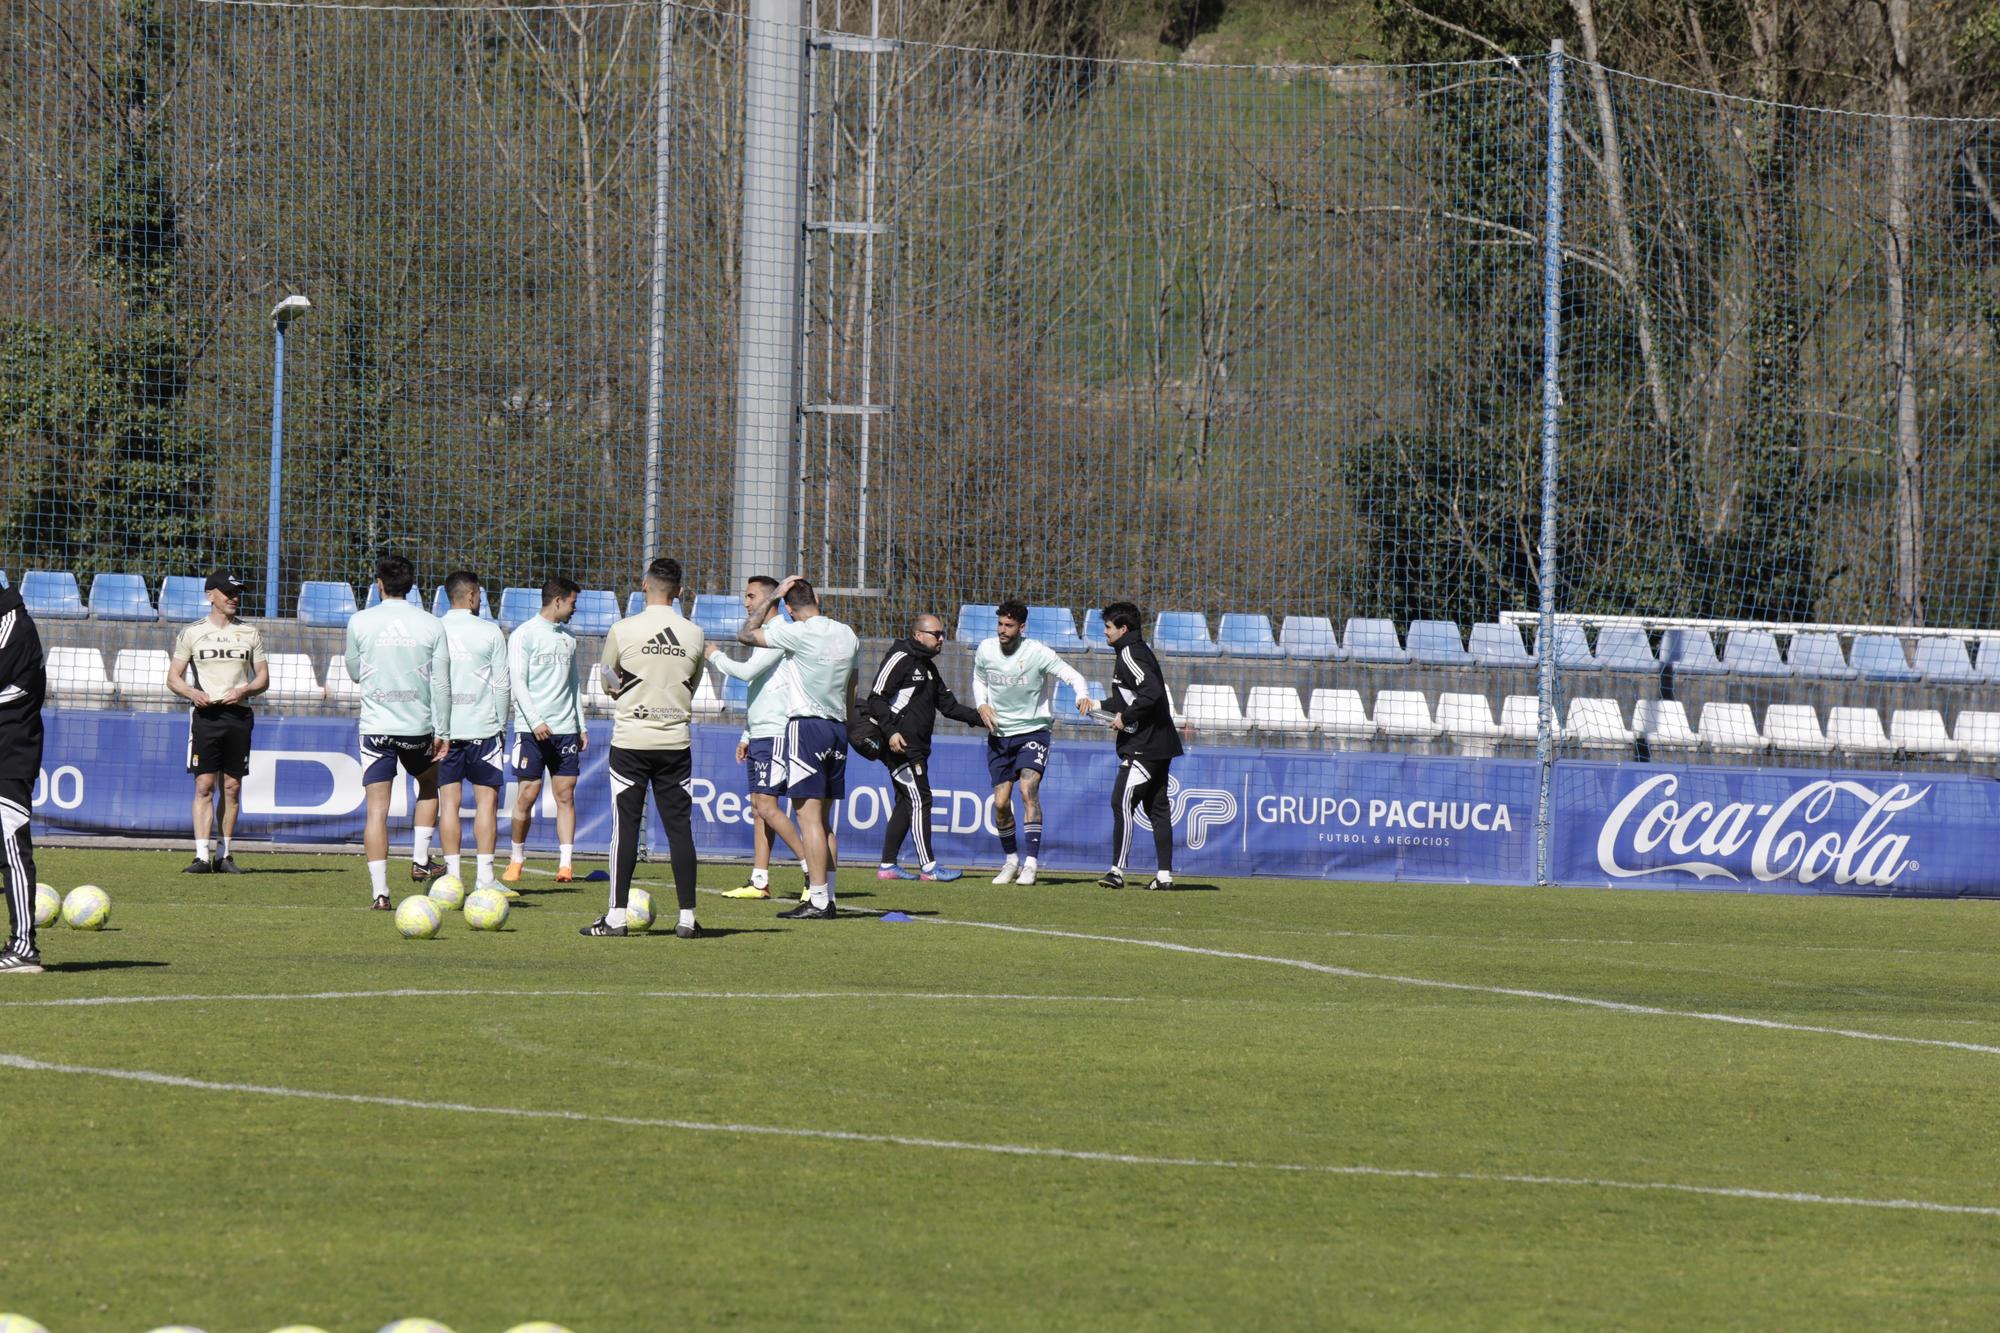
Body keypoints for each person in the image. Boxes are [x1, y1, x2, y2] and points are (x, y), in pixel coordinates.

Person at [585, 558, 705, 938]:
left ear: (643, 586)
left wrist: (619, 688)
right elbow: (693, 684)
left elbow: (606, 677)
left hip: (632, 742)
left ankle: (617, 917)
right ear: (680, 592)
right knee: (679, 830)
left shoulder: (623, 629)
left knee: (625, 828)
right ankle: (687, 919)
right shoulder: (694, 633)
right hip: (675, 742)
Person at [739, 575, 858, 921]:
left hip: (806, 728)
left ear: (789, 610)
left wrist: (772, 595)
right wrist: (849, 725)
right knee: (826, 821)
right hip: (838, 728)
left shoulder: (796, 631)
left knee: (808, 818)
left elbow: (746, 634)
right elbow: (852, 684)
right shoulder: (847, 633)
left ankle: (818, 900)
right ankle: (828, 895)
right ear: (817, 599)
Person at [343, 554, 452, 909]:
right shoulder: (431, 624)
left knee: (376, 810)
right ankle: (420, 860)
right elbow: (442, 683)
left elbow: (356, 673)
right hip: (417, 727)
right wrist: (445, 729)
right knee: (430, 784)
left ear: (379, 584)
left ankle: (380, 893)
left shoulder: (360, 621)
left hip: (376, 728)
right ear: (412, 585)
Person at [973, 599, 1094, 885]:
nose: (1003, 630)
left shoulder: (1037, 652)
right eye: (1000, 624)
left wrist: (1081, 694)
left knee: (1028, 789)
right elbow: (978, 679)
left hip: (1033, 731)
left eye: (1009, 625)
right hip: (1000, 734)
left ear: (1022, 627)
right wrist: (981, 705)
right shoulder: (986, 649)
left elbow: (1072, 675)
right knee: (1001, 804)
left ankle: (1031, 863)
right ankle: (1011, 860)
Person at [705, 575, 811, 900]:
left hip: (777, 733)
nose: (747, 603)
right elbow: (761, 687)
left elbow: (747, 674)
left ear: (769, 600)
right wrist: (747, 733)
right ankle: (760, 880)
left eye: (751, 596)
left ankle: (812, 870)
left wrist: (713, 655)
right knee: (758, 806)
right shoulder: (766, 635)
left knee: (767, 805)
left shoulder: (779, 633)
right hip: (761, 732)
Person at [864, 613, 985, 881]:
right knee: (921, 800)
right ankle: (928, 867)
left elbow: (949, 706)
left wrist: (983, 718)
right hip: (898, 746)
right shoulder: (900, 657)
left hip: (917, 747)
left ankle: (887, 865)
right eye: (936, 634)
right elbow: (876, 699)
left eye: (943, 634)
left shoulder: (928, 667)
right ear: (919, 635)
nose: (942, 639)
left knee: (906, 803)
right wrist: (891, 732)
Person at [167, 570, 269, 875]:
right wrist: (191, 692)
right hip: (206, 715)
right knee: (204, 785)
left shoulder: (250, 633)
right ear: (210, 595)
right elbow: (173, 678)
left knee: (233, 786)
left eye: (237, 593)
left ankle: (225, 855)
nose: (234, 598)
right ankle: (201, 856)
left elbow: (263, 678)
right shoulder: (191, 633)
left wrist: (245, 689)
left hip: (238, 714)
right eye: (228, 592)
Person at [1092, 602, 1181, 891]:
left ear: (1123, 629)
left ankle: (1117, 871)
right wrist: (1098, 706)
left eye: (1108, 627)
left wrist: (1125, 718)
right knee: (1158, 808)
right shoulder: (1134, 652)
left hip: (1144, 745)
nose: (1104, 632)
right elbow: (1128, 699)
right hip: (1161, 743)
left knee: (1122, 802)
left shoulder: (1129, 653)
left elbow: (1151, 692)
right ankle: (1165, 876)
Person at [503, 577, 586, 885]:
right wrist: (536, 720)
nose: (574, 609)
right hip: (532, 730)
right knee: (527, 794)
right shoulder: (523, 635)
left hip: (565, 729)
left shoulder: (569, 638)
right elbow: (518, 682)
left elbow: (574, 685)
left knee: (566, 794)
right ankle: (516, 859)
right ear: (558, 601)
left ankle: (565, 865)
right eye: (573, 603)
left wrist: (581, 724)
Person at [436, 571, 509, 896]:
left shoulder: (434, 628)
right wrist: (501, 724)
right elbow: (502, 686)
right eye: (479, 594)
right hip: (483, 729)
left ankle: (452, 880)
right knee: (486, 804)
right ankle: (484, 878)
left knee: (448, 804)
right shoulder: (490, 631)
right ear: (472, 595)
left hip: (445, 731)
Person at [0, 580, 47, 974]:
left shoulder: (14, 625)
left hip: (8, 757)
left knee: (12, 851)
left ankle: (24, 948)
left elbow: (13, 691)